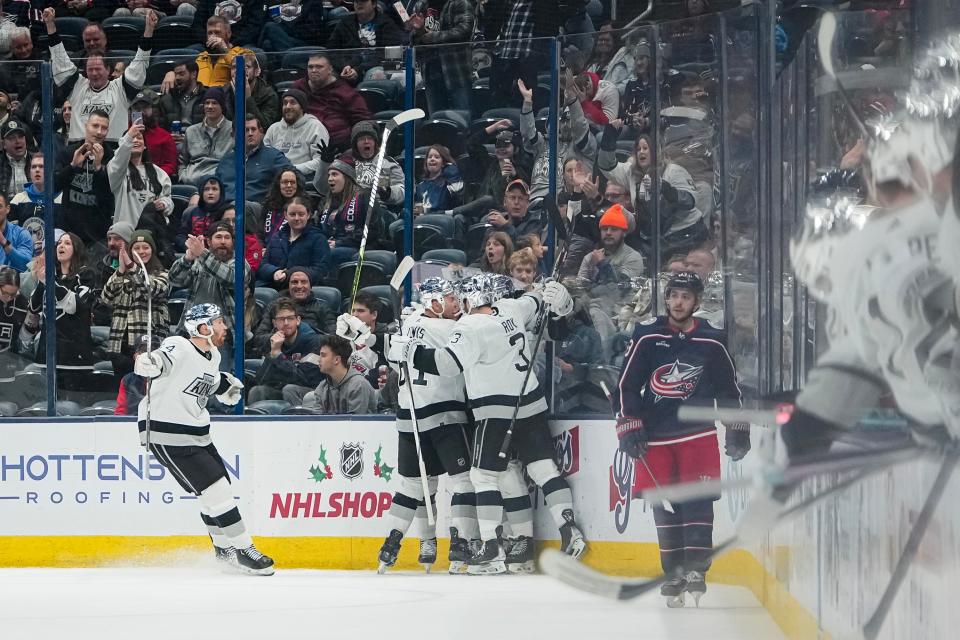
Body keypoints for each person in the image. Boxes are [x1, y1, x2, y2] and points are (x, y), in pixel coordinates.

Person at [388, 273, 586, 574]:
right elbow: (539, 300)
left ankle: (492, 547)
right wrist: (559, 297)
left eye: (463, 297)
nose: (461, 303)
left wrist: (410, 351)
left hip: (494, 411)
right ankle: (568, 529)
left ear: (473, 298)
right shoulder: (510, 308)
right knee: (542, 469)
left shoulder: (470, 326)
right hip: (530, 403)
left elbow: (445, 364)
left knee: (482, 478)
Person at [615, 271, 749, 607]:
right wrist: (630, 424)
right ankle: (672, 572)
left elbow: (728, 391)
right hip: (656, 437)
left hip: (697, 435)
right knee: (665, 503)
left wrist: (737, 429)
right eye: (674, 295)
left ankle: (696, 570)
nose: (678, 302)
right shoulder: (647, 335)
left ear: (697, 302)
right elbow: (626, 385)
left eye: (685, 297)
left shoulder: (712, 340)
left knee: (698, 501)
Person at [133, 303, 274, 575]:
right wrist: (147, 361)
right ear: (202, 327)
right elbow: (161, 361)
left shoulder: (213, 357)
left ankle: (224, 550)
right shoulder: (178, 345)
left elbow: (205, 378)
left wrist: (225, 386)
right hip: (168, 432)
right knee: (216, 490)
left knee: (215, 492)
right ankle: (245, 550)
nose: (224, 327)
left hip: (197, 432)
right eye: (219, 322)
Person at [377, 278, 478, 575]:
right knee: (463, 481)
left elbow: (394, 361)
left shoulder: (407, 325)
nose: (456, 302)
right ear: (433, 302)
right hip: (444, 413)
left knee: (416, 485)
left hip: (409, 417)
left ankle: (392, 545)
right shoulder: (452, 329)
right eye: (449, 298)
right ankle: (460, 544)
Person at [44, 7, 156, 143]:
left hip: (113, 152)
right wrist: (50, 25)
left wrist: (149, 31)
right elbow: (59, 56)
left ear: (108, 70)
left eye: (98, 69)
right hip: (79, 150)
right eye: (90, 69)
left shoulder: (121, 88)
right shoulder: (77, 85)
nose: (94, 73)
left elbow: (140, 61)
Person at [599, 127, 707, 260]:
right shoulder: (631, 173)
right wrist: (609, 136)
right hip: (654, 238)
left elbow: (690, 201)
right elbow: (606, 166)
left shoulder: (673, 171)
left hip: (685, 235)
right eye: (638, 149)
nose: (641, 152)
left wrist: (665, 189)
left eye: (645, 148)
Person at [167, 221, 251, 360]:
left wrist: (202, 253)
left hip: (224, 335)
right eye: (218, 237)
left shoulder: (240, 263)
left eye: (227, 237)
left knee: (218, 378)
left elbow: (231, 278)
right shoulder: (198, 262)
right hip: (193, 333)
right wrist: (188, 258)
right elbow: (175, 280)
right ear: (209, 241)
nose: (223, 241)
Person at [28, 231, 98, 390]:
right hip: (48, 354)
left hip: (74, 356)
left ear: (76, 249)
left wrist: (50, 282)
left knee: (71, 406)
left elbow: (76, 306)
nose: (61, 245)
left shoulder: (86, 274)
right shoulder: (52, 276)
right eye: (59, 243)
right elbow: (34, 307)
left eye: (67, 243)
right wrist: (42, 282)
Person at [99, 229, 170, 381]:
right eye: (136, 248)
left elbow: (150, 290)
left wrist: (132, 267)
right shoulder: (122, 275)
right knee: (125, 389)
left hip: (148, 344)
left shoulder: (162, 275)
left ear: (153, 250)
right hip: (120, 345)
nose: (141, 251)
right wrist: (120, 271)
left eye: (145, 247)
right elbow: (106, 299)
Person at [55, 109, 115, 249]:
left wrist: (99, 168)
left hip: (98, 234)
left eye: (104, 128)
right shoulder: (69, 152)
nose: (99, 132)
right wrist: (73, 166)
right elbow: (54, 186)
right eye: (95, 126)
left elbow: (110, 196)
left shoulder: (111, 157)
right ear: (85, 126)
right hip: (70, 232)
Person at [247, 297, 323, 404]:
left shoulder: (312, 341)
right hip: (283, 389)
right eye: (281, 319)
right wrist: (273, 353)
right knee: (257, 391)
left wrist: (278, 356)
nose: (286, 323)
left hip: (311, 392)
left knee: (289, 389)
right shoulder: (275, 340)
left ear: (298, 320)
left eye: (290, 318)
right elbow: (261, 380)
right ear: (274, 323)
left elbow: (304, 380)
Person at [290, 53, 372, 150]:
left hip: (336, 146)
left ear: (330, 69)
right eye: (310, 67)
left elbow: (363, 121)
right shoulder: (298, 87)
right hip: (300, 143)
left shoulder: (346, 92)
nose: (314, 70)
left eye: (319, 67)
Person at [406, 0, 475, 114]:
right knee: (436, 121)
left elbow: (464, 31)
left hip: (456, 72)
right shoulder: (420, 5)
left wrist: (430, 37)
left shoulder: (460, 3)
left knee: (463, 119)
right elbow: (415, 40)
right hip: (430, 71)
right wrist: (419, 31)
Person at [252, 268, 336, 354]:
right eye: (294, 282)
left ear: (310, 286)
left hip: (312, 355)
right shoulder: (274, 305)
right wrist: (282, 337)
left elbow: (333, 338)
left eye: (303, 282)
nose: (299, 286)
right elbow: (258, 339)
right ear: (288, 286)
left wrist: (303, 339)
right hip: (279, 352)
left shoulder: (322, 307)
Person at [107, 121, 174, 228]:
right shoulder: (117, 170)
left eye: (139, 138)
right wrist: (128, 136)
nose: (135, 141)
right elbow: (119, 158)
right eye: (132, 138)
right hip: (126, 232)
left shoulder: (159, 173)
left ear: (145, 146)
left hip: (153, 231)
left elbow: (168, 198)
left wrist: (164, 204)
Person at [215, 114, 293, 203]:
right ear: (233, 134)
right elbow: (214, 185)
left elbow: (296, 176)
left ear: (261, 132)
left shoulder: (273, 157)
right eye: (246, 130)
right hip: (225, 208)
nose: (250, 134)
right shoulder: (226, 160)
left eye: (253, 129)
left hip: (255, 208)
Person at [257, 196, 330, 290]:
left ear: (308, 215)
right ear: (285, 215)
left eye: (301, 214)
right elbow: (263, 265)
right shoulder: (276, 237)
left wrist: (289, 275)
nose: (296, 218)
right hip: (273, 286)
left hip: (302, 289)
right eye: (292, 214)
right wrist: (274, 272)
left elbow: (320, 271)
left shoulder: (319, 239)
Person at [325, 0, 405, 83]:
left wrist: (358, 69)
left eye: (363, 1)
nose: (359, 3)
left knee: (377, 74)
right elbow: (332, 50)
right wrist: (345, 66)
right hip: (348, 67)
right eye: (356, 1)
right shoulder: (345, 23)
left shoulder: (387, 24)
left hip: (375, 66)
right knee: (325, 73)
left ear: (374, 4)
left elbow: (390, 57)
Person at [264, 89, 330, 185]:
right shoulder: (273, 129)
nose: (288, 106)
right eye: (285, 103)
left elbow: (320, 162)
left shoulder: (316, 127)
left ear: (302, 107)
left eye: (293, 103)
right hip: (275, 180)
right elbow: (265, 158)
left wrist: (291, 170)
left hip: (305, 180)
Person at [298, 334, 378, 413]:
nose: (319, 360)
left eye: (323, 355)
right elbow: (317, 420)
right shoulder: (322, 387)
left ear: (337, 359)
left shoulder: (358, 385)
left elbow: (355, 423)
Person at [319, 155, 369, 270]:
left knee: (330, 254)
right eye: (329, 175)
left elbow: (370, 232)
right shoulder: (326, 201)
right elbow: (317, 228)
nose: (330, 179)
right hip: (329, 245)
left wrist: (339, 243)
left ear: (347, 178)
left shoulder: (364, 198)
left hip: (354, 247)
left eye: (335, 174)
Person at [178, 87, 234, 188]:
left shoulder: (234, 130)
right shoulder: (191, 131)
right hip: (192, 183)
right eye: (207, 103)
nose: (209, 106)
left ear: (222, 106)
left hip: (220, 185)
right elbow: (183, 161)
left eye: (214, 103)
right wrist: (183, 176)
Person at [11, 152, 63, 257]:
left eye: (42, 167)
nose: (37, 170)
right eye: (34, 167)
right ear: (30, 172)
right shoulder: (18, 199)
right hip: (24, 256)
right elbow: (11, 233)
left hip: (53, 257)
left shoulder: (61, 198)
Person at [222, 52, 279, 127]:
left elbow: (264, 126)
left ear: (256, 72)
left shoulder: (269, 94)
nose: (238, 71)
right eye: (234, 67)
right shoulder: (224, 91)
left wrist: (248, 98)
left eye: (246, 67)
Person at [129, 89, 178, 178]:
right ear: (131, 111)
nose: (142, 112)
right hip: (129, 178)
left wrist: (153, 175)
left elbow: (171, 165)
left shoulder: (164, 136)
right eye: (137, 108)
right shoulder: (125, 135)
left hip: (157, 180)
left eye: (145, 107)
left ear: (152, 109)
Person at [177, 176, 227, 251]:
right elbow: (181, 236)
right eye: (206, 189)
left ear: (221, 192)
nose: (210, 193)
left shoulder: (226, 212)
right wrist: (189, 246)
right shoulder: (192, 212)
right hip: (193, 251)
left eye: (214, 189)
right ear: (201, 192)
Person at [262, 169, 309, 245]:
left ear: (297, 185)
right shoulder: (269, 204)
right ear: (278, 185)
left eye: (292, 182)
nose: (289, 185)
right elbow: (259, 232)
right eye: (285, 182)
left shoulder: (303, 206)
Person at [157, 60, 207, 131]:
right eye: (176, 74)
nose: (177, 78)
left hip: (200, 139)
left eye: (181, 74)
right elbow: (160, 128)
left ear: (193, 74)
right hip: (173, 139)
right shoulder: (167, 99)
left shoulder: (207, 96)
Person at [414, 145, 463, 215]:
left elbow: (458, 197)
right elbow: (418, 211)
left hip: (442, 218)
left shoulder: (449, 182)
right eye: (429, 157)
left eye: (437, 157)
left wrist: (451, 169)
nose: (432, 159)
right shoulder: (421, 186)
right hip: (424, 219)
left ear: (443, 163)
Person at [0, 192, 35, 272]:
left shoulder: (22, 234)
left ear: (7, 209)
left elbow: (25, 266)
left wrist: (4, 242)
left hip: (12, 283)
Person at [0, 118, 33, 201]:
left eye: (20, 137)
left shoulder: (37, 161)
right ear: (3, 144)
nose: (18, 141)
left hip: (32, 211)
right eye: (12, 138)